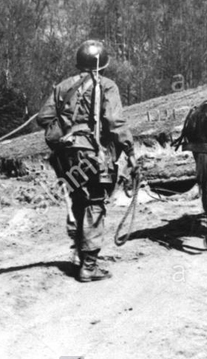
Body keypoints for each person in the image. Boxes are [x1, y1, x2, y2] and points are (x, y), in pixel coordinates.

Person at [36, 40, 135, 283]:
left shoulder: (63, 86)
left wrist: (69, 125)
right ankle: (89, 266)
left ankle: (82, 257)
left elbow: (43, 118)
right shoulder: (107, 86)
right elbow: (113, 121)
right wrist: (129, 149)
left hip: (67, 156)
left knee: (79, 201)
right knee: (95, 203)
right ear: (102, 64)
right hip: (93, 154)